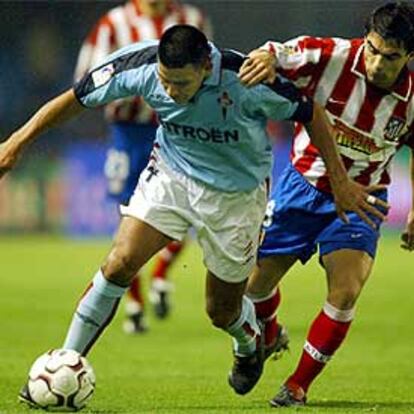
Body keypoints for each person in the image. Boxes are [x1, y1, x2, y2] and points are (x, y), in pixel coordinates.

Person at [0, 25, 384, 407]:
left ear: (206, 66)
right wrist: (16, 142)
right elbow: (76, 98)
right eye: (165, 82)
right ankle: (68, 361)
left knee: (221, 310)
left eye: (181, 83)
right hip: (172, 175)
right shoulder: (141, 65)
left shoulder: (246, 79)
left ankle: (250, 343)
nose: (170, 92)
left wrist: (339, 179)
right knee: (119, 263)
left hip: (236, 197)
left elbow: (312, 113)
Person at [238, 1, 414, 407]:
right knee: (251, 287)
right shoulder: (331, 56)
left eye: (390, 57)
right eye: (372, 49)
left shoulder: (411, 99)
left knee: (346, 290)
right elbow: (278, 52)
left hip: (363, 200)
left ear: (408, 56)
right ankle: (268, 332)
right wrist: (266, 58)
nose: (376, 63)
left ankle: (298, 385)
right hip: (301, 187)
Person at [75, 0, 212, 333]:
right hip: (128, 134)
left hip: (179, 131)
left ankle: (161, 275)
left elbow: (209, 70)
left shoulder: (191, 20)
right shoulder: (113, 23)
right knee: (128, 216)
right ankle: (134, 304)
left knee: (187, 210)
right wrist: (133, 88)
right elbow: (86, 77)